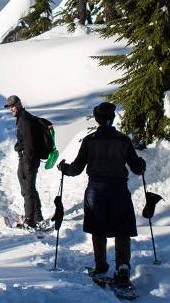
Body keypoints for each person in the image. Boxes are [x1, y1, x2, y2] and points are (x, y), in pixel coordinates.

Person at [58, 101, 146, 287]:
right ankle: (122, 267)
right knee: (122, 229)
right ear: (112, 118)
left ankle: (101, 267)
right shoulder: (123, 140)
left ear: (97, 119)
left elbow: (76, 169)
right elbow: (137, 168)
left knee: (98, 230)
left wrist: (64, 168)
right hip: (119, 189)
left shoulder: (90, 141)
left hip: (96, 190)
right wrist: (141, 164)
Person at [4, 94, 44, 228]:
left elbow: (30, 144)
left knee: (28, 190)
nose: (11, 109)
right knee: (27, 187)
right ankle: (36, 216)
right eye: (9, 107)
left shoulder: (25, 120)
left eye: (13, 106)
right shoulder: (21, 118)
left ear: (19, 104)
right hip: (25, 158)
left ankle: (30, 220)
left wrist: (28, 161)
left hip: (29, 159)